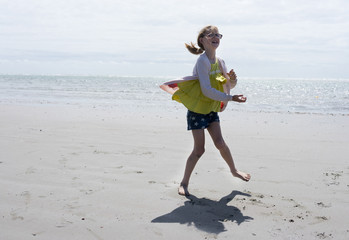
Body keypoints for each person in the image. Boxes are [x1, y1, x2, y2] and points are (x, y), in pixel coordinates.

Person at [160, 25, 251, 196]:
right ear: (202, 40)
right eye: (211, 35)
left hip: (211, 109)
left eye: (218, 35)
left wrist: (232, 81)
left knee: (220, 143)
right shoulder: (202, 62)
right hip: (197, 110)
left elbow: (225, 84)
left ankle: (233, 170)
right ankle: (184, 183)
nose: (216, 37)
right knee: (199, 150)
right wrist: (232, 98)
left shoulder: (220, 62)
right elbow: (206, 90)